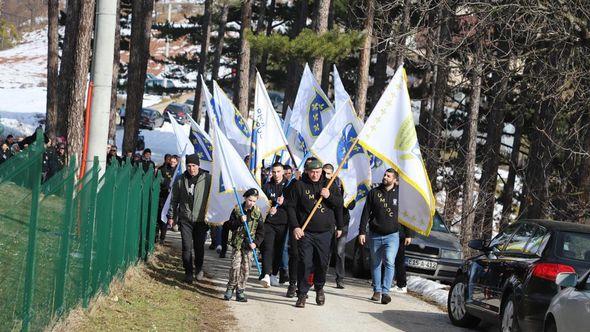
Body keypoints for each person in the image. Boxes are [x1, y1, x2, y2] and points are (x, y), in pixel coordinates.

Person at [286, 158, 344, 308]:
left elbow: (339, 205)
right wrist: (295, 227)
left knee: (322, 263)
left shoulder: (330, 184)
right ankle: (302, 294)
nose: (315, 175)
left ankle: (319, 287)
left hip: (325, 232)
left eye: (318, 172)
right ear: (307, 171)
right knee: (305, 263)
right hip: (306, 232)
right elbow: (290, 207)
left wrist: (329, 196)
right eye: (312, 172)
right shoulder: (299, 185)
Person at [167, 154, 212, 284]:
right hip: (185, 219)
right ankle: (188, 272)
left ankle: (198, 268)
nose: (191, 168)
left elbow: (213, 198)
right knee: (186, 247)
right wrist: (171, 215)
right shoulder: (181, 180)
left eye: (194, 165)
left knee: (199, 247)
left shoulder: (207, 179)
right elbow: (174, 199)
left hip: (201, 219)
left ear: (198, 165)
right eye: (189, 166)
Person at [358, 168, 401, 305]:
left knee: (389, 261)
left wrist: (409, 234)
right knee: (375, 263)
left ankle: (386, 292)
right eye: (385, 175)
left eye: (389, 176)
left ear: (395, 180)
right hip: (375, 234)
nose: (385, 177)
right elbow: (365, 213)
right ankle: (377, 290)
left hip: (392, 235)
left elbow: (406, 216)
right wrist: (362, 232)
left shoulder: (401, 195)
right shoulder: (374, 193)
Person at [223, 188, 265, 302]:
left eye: (254, 201)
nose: (251, 203)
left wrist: (256, 243)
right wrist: (239, 221)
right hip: (237, 243)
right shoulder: (237, 210)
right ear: (246, 198)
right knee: (235, 267)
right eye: (250, 200)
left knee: (245, 269)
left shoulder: (257, 212)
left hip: (249, 245)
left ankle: (240, 291)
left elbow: (261, 231)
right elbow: (229, 225)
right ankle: (230, 288)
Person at [323, 163, 353, 289]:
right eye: (324, 173)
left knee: (340, 252)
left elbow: (350, 205)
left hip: (342, 223)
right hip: (327, 223)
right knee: (325, 252)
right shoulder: (321, 186)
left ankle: (340, 279)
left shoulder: (342, 185)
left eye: (329, 173)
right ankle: (321, 278)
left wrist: (347, 198)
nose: (326, 176)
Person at [260, 162, 289, 288]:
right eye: (274, 172)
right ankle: (266, 274)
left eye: (278, 171)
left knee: (279, 249)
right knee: (268, 248)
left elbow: (294, 203)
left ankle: (274, 274)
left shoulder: (289, 185)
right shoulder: (267, 186)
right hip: (269, 223)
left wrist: (284, 202)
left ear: (283, 172)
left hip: (283, 223)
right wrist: (269, 208)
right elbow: (261, 203)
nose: (276, 174)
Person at [156, 155, 178, 244]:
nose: (172, 163)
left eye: (174, 162)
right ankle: (158, 236)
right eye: (171, 162)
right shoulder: (164, 169)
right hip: (164, 196)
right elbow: (162, 180)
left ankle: (163, 236)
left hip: (173, 197)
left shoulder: (178, 171)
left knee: (168, 216)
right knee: (161, 216)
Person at [393, 225, 413, 293]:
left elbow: (407, 219)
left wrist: (408, 235)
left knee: (399, 259)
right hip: (393, 233)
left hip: (400, 235)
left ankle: (402, 285)